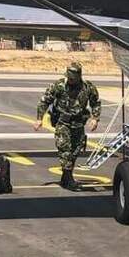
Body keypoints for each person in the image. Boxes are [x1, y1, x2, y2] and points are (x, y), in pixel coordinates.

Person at [35, 62, 101, 190]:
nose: (69, 80)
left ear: (78, 76)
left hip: (78, 123)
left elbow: (95, 102)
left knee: (75, 151)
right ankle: (69, 180)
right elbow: (44, 101)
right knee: (65, 150)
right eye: (68, 77)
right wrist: (39, 119)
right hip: (63, 123)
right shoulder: (59, 86)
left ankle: (65, 178)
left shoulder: (88, 87)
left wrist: (95, 118)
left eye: (72, 78)